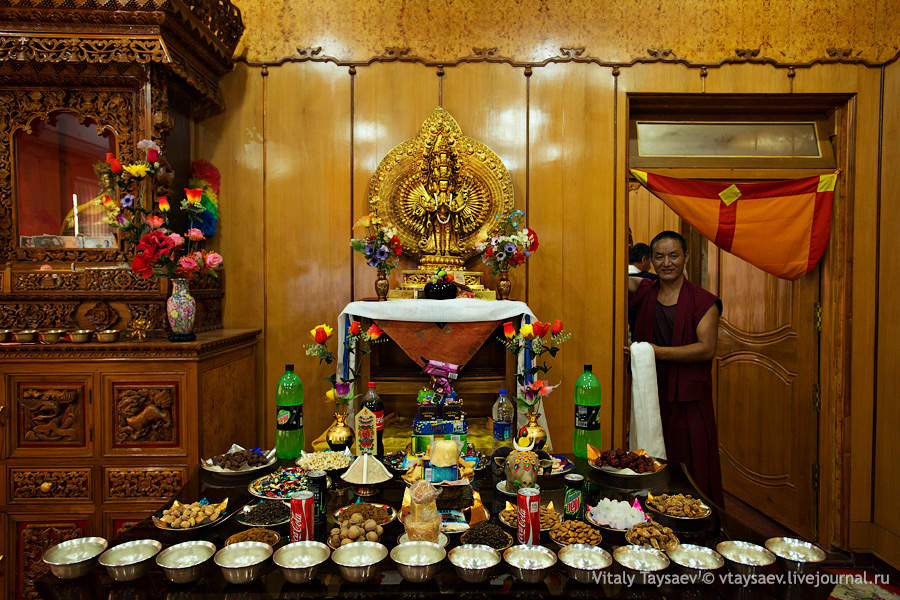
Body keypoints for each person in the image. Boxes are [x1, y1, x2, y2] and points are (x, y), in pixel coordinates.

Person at [628, 230, 724, 506]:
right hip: (651, 394)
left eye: (673, 256)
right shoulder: (645, 290)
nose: (667, 263)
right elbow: (612, 279)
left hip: (688, 399)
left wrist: (656, 352)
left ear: (686, 258)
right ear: (651, 260)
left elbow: (706, 348)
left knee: (692, 464)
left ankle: (700, 525)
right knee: (652, 459)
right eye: (659, 257)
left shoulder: (703, 301)